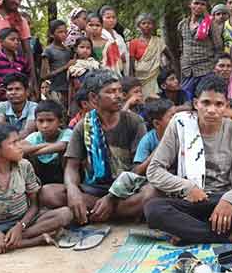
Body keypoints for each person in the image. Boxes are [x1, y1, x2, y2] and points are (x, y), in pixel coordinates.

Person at [145, 76, 232, 244]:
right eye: (206, 103)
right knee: (153, 209)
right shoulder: (180, 124)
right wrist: (187, 187)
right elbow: (154, 170)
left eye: (218, 104)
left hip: (224, 200)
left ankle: (191, 233)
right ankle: (230, 236)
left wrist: (229, 200)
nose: (211, 110)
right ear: (195, 104)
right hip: (190, 201)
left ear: (226, 106)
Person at [39, 70, 150, 225]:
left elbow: (138, 169)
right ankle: (116, 213)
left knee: (151, 193)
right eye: (110, 92)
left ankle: (101, 211)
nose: (118, 96)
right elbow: (71, 166)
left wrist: (111, 198)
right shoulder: (83, 126)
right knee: (47, 192)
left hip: (127, 189)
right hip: (95, 189)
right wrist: (72, 190)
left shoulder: (134, 122)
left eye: (119, 91)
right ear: (93, 98)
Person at [0, 123, 73, 258]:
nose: (20, 147)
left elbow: (34, 205)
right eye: (14, 143)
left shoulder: (24, 166)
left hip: (26, 222)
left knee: (65, 214)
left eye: (19, 141)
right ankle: (33, 241)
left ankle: (11, 239)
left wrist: (20, 227)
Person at [178, 0, 223, 100]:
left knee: (205, 100)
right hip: (187, 70)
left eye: (202, 4)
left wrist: (214, 67)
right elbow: (182, 47)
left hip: (206, 70)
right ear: (190, 4)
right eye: (196, 3)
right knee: (187, 102)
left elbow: (218, 47)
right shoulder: (182, 24)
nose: (199, 6)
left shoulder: (210, 23)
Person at [20, 100, 73, 185]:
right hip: (40, 177)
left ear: (61, 122)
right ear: (35, 122)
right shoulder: (35, 136)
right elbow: (20, 148)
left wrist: (32, 152)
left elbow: (61, 146)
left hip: (63, 177)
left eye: (50, 120)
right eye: (40, 121)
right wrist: (45, 144)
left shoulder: (67, 133)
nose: (45, 125)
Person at [129, 13, 172, 97]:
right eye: (143, 23)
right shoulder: (134, 43)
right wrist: (132, 80)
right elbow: (131, 65)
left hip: (155, 76)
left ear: (153, 25)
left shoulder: (158, 41)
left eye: (149, 23)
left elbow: (170, 57)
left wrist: (166, 70)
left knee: (155, 99)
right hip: (140, 78)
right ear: (139, 26)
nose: (146, 26)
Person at [131, 99, 176, 176]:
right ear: (157, 123)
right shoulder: (148, 140)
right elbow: (137, 171)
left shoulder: (182, 135)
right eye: (172, 116)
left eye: (177, 115)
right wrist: (156, 152)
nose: (177, 119)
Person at [0, 73, 37, 139]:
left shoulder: (34, 107)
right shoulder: (1, 106)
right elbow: (0, 130)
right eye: (10, 89)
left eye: (17, 89)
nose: (13, 93)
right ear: (6, 93)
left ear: (27, 92)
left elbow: (28, 132)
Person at [41, 20, 73, 106]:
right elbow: (44, 75)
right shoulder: (48, 50)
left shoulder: (68, 50)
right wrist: (65, 67)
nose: (64, 34)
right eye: (60, 32)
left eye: (65, 32)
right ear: (52, 34)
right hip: (55, 90)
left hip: (68, 89)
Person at [100, 6, 130, 76]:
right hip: (107, 73)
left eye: (114, 17)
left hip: (122, 71)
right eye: (108, 17)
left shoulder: (118, 36)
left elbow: (125, 53)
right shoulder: (100, 35)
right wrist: (118, 58)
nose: (111, 20)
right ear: (101, 19)